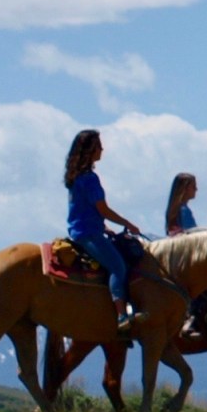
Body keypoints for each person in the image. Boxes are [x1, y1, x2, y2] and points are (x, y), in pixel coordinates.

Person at [65, 129, 144, 335]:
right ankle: (121, 315)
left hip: (84, 229)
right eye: (99, 146)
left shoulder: (76, 177)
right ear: (90, 150)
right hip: (89, 233)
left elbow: (85, 210)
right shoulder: (90, 179)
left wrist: (105, 227)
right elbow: (103, 209)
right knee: (118, 267)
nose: (102, 149)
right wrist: (129, 224)